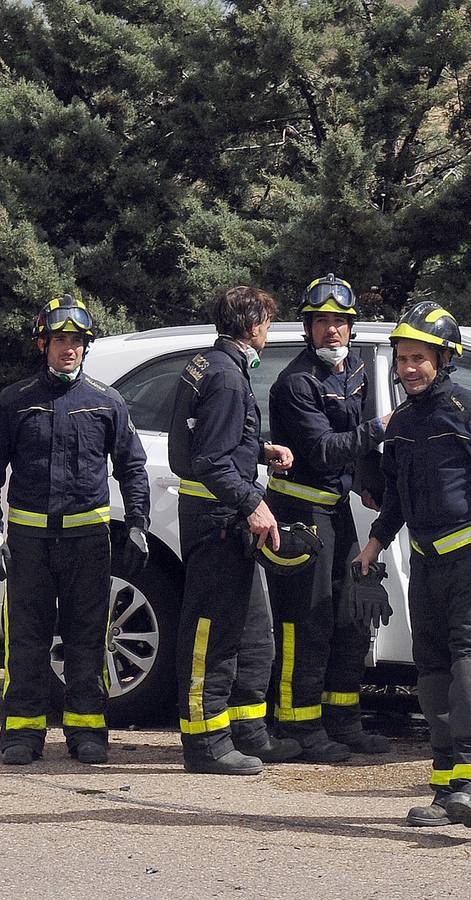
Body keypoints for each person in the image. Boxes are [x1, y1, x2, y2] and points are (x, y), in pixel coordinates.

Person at [354, 300, 471, 828]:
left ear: (444, 358)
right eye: (403, 358)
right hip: (426, 565)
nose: (409, 368)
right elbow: (397, 493)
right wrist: (375, 541)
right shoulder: (406, 422)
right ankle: (446, 788)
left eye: (420, 358)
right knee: (432, 678)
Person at [0, 295, 150, 766]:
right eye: (61, 340)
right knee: (26, 638)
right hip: (30, 542)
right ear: (43, 343)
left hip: (88, 542)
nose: (70, 349)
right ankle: (22, 733)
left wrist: (139, 524)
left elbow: (133, 467)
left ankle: (88, 732)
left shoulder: (107, 402)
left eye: (78, 342)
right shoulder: (15, 402)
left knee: (88, 637)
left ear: (86, 348)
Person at [167, 286, 301, 775]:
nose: (269, 330)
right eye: (267, 321)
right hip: (219, 520)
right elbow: (208, 458)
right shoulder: (225, 376)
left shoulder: (212, 365)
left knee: (251, 632)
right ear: (253, 326)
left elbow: (212, 434)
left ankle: (246, 730)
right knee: (211, 634)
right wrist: (253, 504)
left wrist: (260, 449)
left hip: (225, 517)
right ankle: (205, 744)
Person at [264, 274, 390, 762]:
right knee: (306, 623)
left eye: (340, 322)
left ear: (351, 328)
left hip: (336, 509)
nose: (331, 331)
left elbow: (353, 448)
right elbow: (321, 450)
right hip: (300, 512)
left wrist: (369, 482)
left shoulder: (353, 370)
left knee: (350, 616)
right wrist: (382, 428)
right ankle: (301, 727)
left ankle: (343, 719)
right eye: (322, 323)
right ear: (308, 328)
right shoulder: (295, 382)